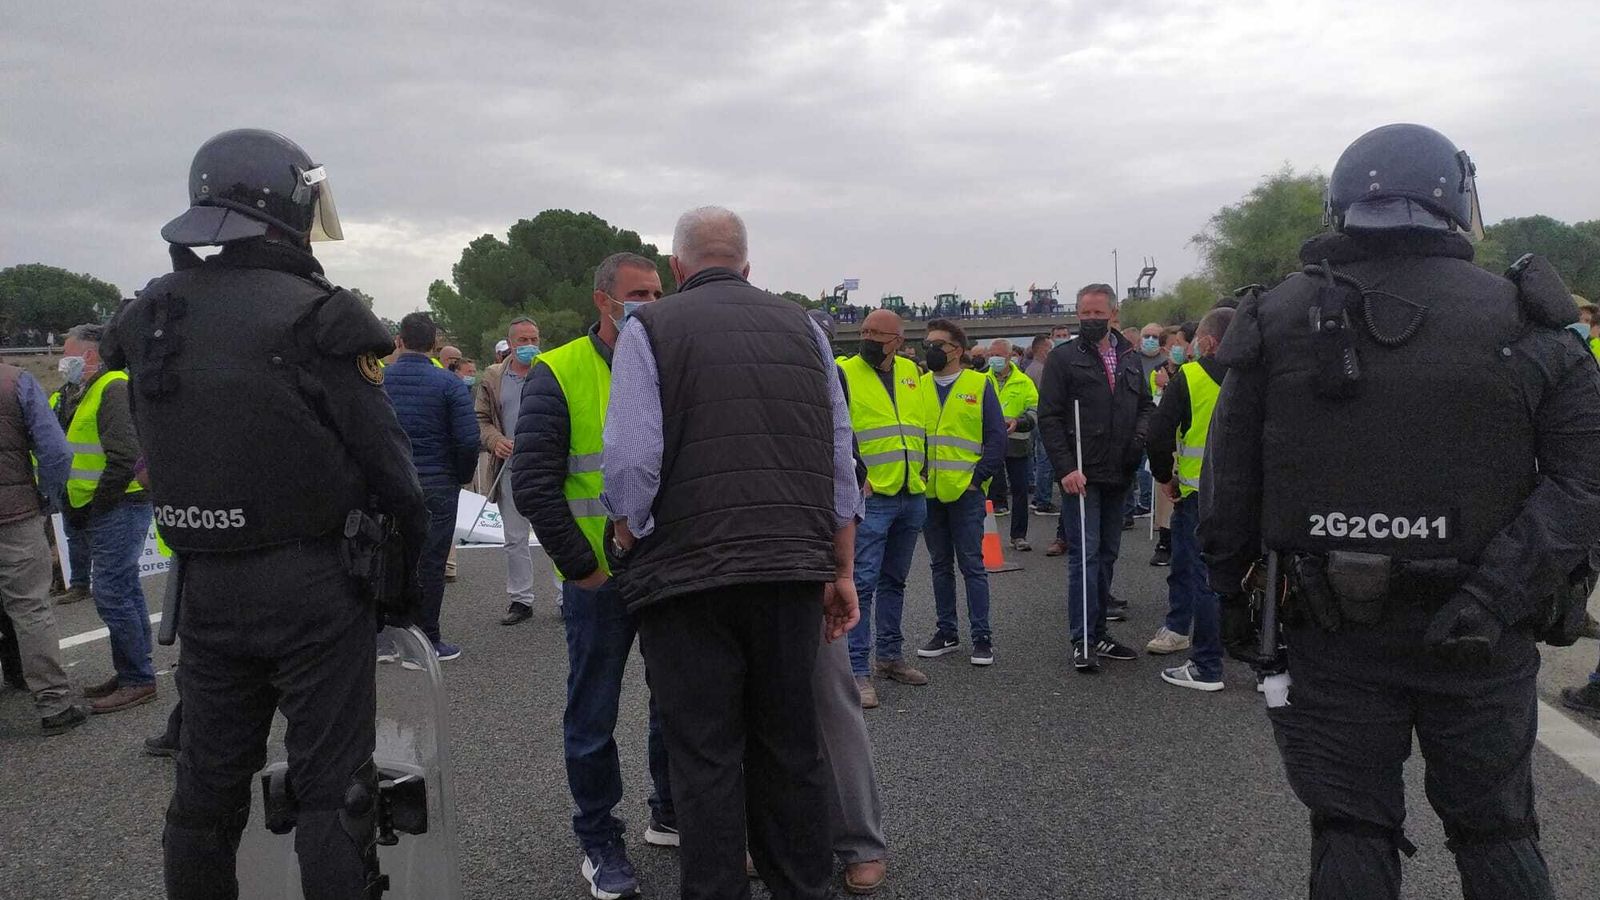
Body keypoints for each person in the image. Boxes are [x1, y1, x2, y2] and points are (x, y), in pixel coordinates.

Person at [1200, 123, 1600, 900]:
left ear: (1341, 200)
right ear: (1457, 198)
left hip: (1329, 634)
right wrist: (1493, 597)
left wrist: (1228, 598)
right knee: (1498, 832)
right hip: (1480, 639)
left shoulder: (1274, 316)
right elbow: (1585, 484)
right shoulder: (1529, 319)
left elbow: (1229, 484)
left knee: (1350, 831)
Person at [106, 128, 428, 900]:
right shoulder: (318, 316)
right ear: (285, 202)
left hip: (205, 587)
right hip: (315, 586)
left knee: (204, 794)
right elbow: (398, 480)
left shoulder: (149, 313)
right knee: (333, 792)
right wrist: (402, 589)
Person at [602, 206, 860, 900]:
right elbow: (840, 460)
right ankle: (803, 887)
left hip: (687, 577)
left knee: (706, 757)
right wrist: (840, 568)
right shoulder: (806, 329)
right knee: (791, 747)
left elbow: (633, 462)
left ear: (678, 268)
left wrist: (628, 534)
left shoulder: (647, 328)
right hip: (788, 573)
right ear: (748, 266)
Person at [511, 252, 674, 899]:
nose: (653, 303)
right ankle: (599, 840)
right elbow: (534, 484)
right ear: (603, 300)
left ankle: (670, 810)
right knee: (593, 716)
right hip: (600, 581)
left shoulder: (671, 362)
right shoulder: (560, 371)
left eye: (661, 291)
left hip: (667, 577)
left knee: (676, 703)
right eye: (640, 293)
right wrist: (582, 571)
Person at [1038, 284, 1153, 671]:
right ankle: (1082, 638)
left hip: (1119, 470)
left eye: (1096, 313)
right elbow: (1050, 419)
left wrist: (1139, 439)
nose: (1089, 319)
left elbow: (1146, 408)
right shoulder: (1063, 359)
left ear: (1113, 314)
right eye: (1083, 312)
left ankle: (1100, 631)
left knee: (1107, 556)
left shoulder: (1131, 358)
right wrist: (1065, 469)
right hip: (1081, 475)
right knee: (1084, 558)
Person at [55, 323, 157, 713]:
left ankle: (137, 679)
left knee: (113, 592)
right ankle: (133, 670)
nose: (63, 362)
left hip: (120, 504)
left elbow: (125, 457)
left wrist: (94, 507)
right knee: (124, 588)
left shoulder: (112, 387)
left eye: (68, 353)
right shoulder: (83, 389)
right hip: (110, 505)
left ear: (90, 355)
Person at [840, 308, 930, 709]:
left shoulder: (912, 373)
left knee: (895, 581)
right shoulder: (845, 372)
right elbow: (838, 430)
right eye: (865, 331)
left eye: (877, 333)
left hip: (911, 492)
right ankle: (855, 670)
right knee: (862, 584)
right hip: (872, 497)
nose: (868, 338)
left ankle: (889, 657)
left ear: (898, 339)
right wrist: (857, 476)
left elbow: (920, 426)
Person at [384, 312, 478, 661]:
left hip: (390, 482)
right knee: (432, 560)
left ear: (399, 340)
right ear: (435, 345)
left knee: (388, 556)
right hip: (438, 482)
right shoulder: (450, 384)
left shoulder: (378, 379)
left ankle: (388, 637)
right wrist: (460, 475)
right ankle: (427, 639)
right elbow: (468, 440)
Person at [1144, 308, 1234, 674]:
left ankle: (1201, 656)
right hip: (1249, 493)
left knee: (1196, 570)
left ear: (1208, 341)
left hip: (1198, 492)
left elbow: (1158, 433)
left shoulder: (1189, 377)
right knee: (1255, 572)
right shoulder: (1259, 373)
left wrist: (1165, 477)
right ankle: (1262, 659)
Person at [0, 357, 84, 734]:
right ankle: (54, 703)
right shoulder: (16, 382)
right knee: (30, 606)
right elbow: (57, 452)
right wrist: (47, 498)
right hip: (14, 517)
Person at [915, 320, 1005, 666]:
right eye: (928, 344)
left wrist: (977, 478)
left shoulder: (979, 385)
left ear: (957, 349)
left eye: (938, 343)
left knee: (972, 566)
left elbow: (995, 438)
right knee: (939, 565)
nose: (931, 349)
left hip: (966, 492)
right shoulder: (919, 386)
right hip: (929, 492)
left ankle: (982, 637)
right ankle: (947, 632)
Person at [476, 317, 544, 625]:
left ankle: (565, 596)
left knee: (557, 532)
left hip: (546, 465)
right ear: (510, 343)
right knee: (514, 537)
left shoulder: (551, 369)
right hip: (509, 467)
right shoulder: (492, 377)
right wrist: (496, 441)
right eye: (523, 341)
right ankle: (520, 600)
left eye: (534, 339)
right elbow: (480, 419)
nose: (529, 346)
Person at [1147, 322, 1197, 567]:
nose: (1175, 349)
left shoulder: (1194, 373)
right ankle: (1165, 542)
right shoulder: (1159, 372)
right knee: (1167, 502)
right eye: (1172, 344)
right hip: (1174, 447)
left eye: (1179, 343)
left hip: (1191, 450)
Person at [985, 338, 1039, 550]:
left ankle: (1018, 536)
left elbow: (1035, 410)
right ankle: (982, 535)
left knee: (1019, 491)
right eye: (991, 355)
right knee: (986, 490)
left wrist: (1019, 422)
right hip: (989, 443)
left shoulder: (1024, 382)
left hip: (1017, 442)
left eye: (998, 355)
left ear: (1010, 357)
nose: (994, 359)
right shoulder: (981, 380)